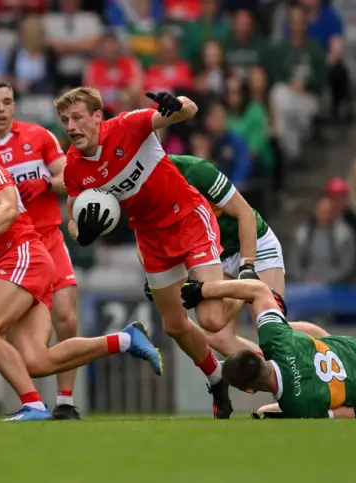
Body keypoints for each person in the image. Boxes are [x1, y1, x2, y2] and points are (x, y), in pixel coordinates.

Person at [0, 111, 162, 422]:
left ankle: (31, 404)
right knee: (35, 360)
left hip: (22, 255)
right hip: (9, 263)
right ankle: (126, 339)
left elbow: (6, 210)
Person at [57, 87, 239, 419]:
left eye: (78, 117)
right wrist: (82, 232)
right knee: (173, 326)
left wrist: (176, 104)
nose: (71, 126)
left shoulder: (128, 125)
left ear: (98, 116)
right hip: (150, 237)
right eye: (66, 119)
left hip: (187, 218)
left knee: (211, 320)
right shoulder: (74, 167)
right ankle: (216, 378)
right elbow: (72, 219)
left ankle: (243, 287)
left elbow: (190, 109)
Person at [0, 80, 82, 420]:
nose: (1, 109)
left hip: (49, 238)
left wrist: (43, 183)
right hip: (8, 247)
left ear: (14, 105)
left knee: (67, 317)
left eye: (7, 101)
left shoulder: (39, 136)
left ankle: (65, 401)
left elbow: (70, 178)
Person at [180, 278, 356, 419]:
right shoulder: (274, 339)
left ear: (249, 389)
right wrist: (201, 290)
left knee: (320, 403)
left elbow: (346, 414)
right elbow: (258, 288)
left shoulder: (298, 406)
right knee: (291, 334)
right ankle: (276, 315)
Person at [144, 154, 291, 358]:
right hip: (214, 254)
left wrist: (247, 268)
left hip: (252, 244)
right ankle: (269, 370)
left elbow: (245, 213)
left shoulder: (196, 171)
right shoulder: (139, 188)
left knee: (273, 332)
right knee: (215, 332)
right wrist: (158, 277)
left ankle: (320, 346)